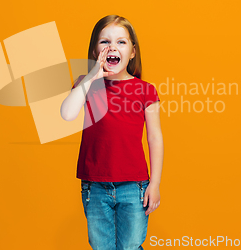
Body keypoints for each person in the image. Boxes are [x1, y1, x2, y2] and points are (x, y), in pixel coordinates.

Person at [60, 15, 164, 250]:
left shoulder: (145, 90)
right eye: (104, 42)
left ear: (133, 52)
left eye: (121, 42)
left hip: (134, 185)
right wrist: (91, 76)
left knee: (130, 245)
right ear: (95, 50)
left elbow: (155, 138)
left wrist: (154, 183)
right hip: (95, 186)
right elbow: (67, 114)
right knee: (101, 246)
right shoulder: (86, 84)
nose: (112, 48)